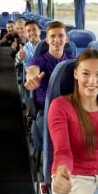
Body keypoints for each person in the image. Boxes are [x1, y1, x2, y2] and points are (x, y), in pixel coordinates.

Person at [48, 48, 98, 194]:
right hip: (73, 179)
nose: (92, 81)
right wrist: (62, 172)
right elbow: (62, 152)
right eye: (86, 73)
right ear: (75, 74)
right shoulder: (60, 106)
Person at [25, 21, 72, 149]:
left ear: (66, 39)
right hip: (46, 107)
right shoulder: (39, 60)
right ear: (46, 39)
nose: (57, 40)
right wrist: (32, 78)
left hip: (69, 106)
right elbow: (32, 70)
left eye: (61, 36)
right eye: (52, 36)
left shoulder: (73, 62)